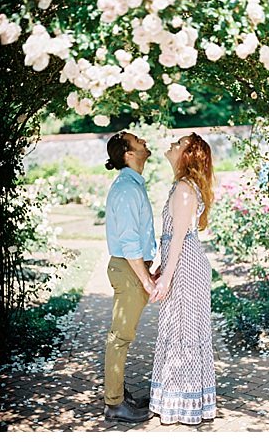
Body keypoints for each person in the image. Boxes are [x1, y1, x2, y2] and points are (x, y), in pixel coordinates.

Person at [148, 133, 216, 425]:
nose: (173, 145)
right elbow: (176, 238)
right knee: (179, 328)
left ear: (189, 155)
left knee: (183, 329)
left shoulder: (185, 189)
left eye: (180, 144)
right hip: (183, 265)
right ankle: (178, 399)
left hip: (187, 269)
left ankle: (182, 403)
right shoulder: (183, 187)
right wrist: (164, 268)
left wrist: (166, 277)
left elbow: (178, 238)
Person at [102, 131, 156, 423]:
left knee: (123, 336)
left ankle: (119, 394)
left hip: (133, 266)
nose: (145, 142)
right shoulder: (126, 189)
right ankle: (114, 404)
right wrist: (145, 278)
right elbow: (129, 241)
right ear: (128, 154)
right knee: (120, 337)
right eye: (139, 141)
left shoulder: (133, 185)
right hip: (128, 268)